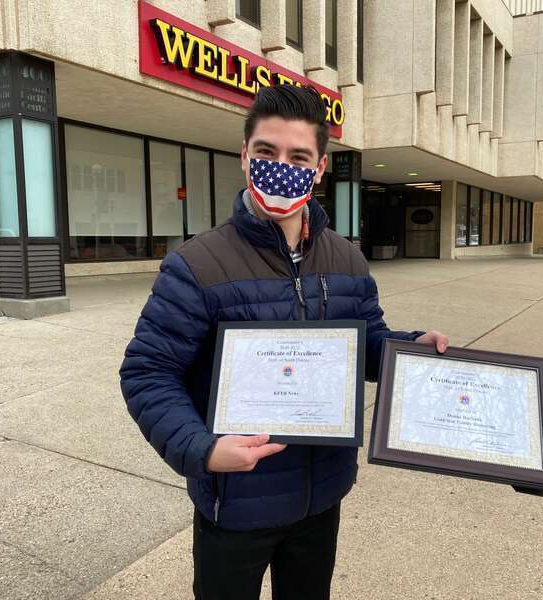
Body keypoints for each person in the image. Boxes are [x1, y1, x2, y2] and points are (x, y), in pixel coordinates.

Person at [120, 85, 448, 600]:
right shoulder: (198, 264)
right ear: (244, 156)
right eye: (266, 152)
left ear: (319, 169)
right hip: (237, 498)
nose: (281, 167)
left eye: (298, 157)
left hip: (321, 497)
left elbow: (363, 346)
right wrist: (202, 450)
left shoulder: (346, 259)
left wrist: (410, 350)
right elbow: (148, 372)